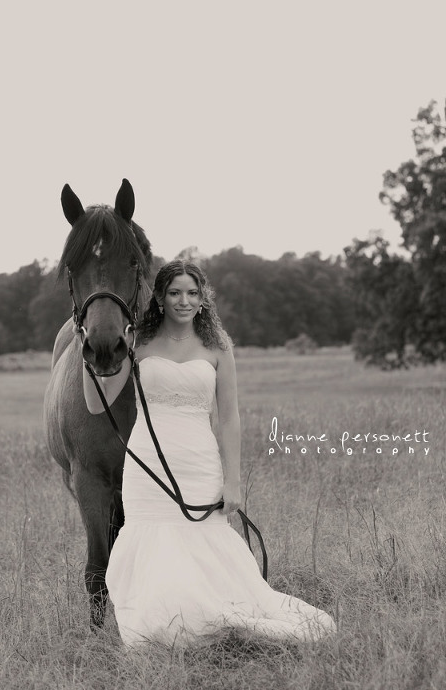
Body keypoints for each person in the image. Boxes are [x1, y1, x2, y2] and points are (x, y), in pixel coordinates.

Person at [82, 260, 336, 646]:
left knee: (201, 542)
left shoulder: (218, 347)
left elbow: (230, 418)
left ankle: (209, 622)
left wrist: (233, 481)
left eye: (192, 293)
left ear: (203, 300)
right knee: (154, 542)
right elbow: (97, 404)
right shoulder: (140, 344)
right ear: (161, 299)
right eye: (174, 293)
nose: (184, 301)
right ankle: (161, 623)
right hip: (147, 465)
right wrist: (87, 347)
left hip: (199, 463)